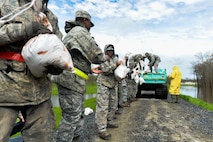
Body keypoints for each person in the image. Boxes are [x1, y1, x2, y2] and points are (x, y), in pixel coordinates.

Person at [0, 0, 62, 141]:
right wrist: (24, 30)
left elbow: (59, 46)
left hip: (40, 94)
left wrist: (57, 66)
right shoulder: (4, 4)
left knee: (43, 137)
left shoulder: (50, 16)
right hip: (6, 90)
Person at [53, 10, 105, 142]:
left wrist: (90, 70)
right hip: (71, 81)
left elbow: (77, 60)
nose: (90, 27)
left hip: (74, 81)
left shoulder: (73, 33)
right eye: (89, 24)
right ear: (84, 20)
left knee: (77, 115)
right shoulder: (80, 32)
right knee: (71, 117)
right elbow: (98, 55)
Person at [92, 44, 122, 140]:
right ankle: (102, 129)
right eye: (108, 50)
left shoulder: (115, 58)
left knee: (113, 104)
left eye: (111, 50)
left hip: (113, 84)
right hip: (104, 83)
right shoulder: (103, 58)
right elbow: (106, 70)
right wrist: (115, 65)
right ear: (105, 51)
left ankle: (109, 121)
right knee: (103, 106)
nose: (110, 52)